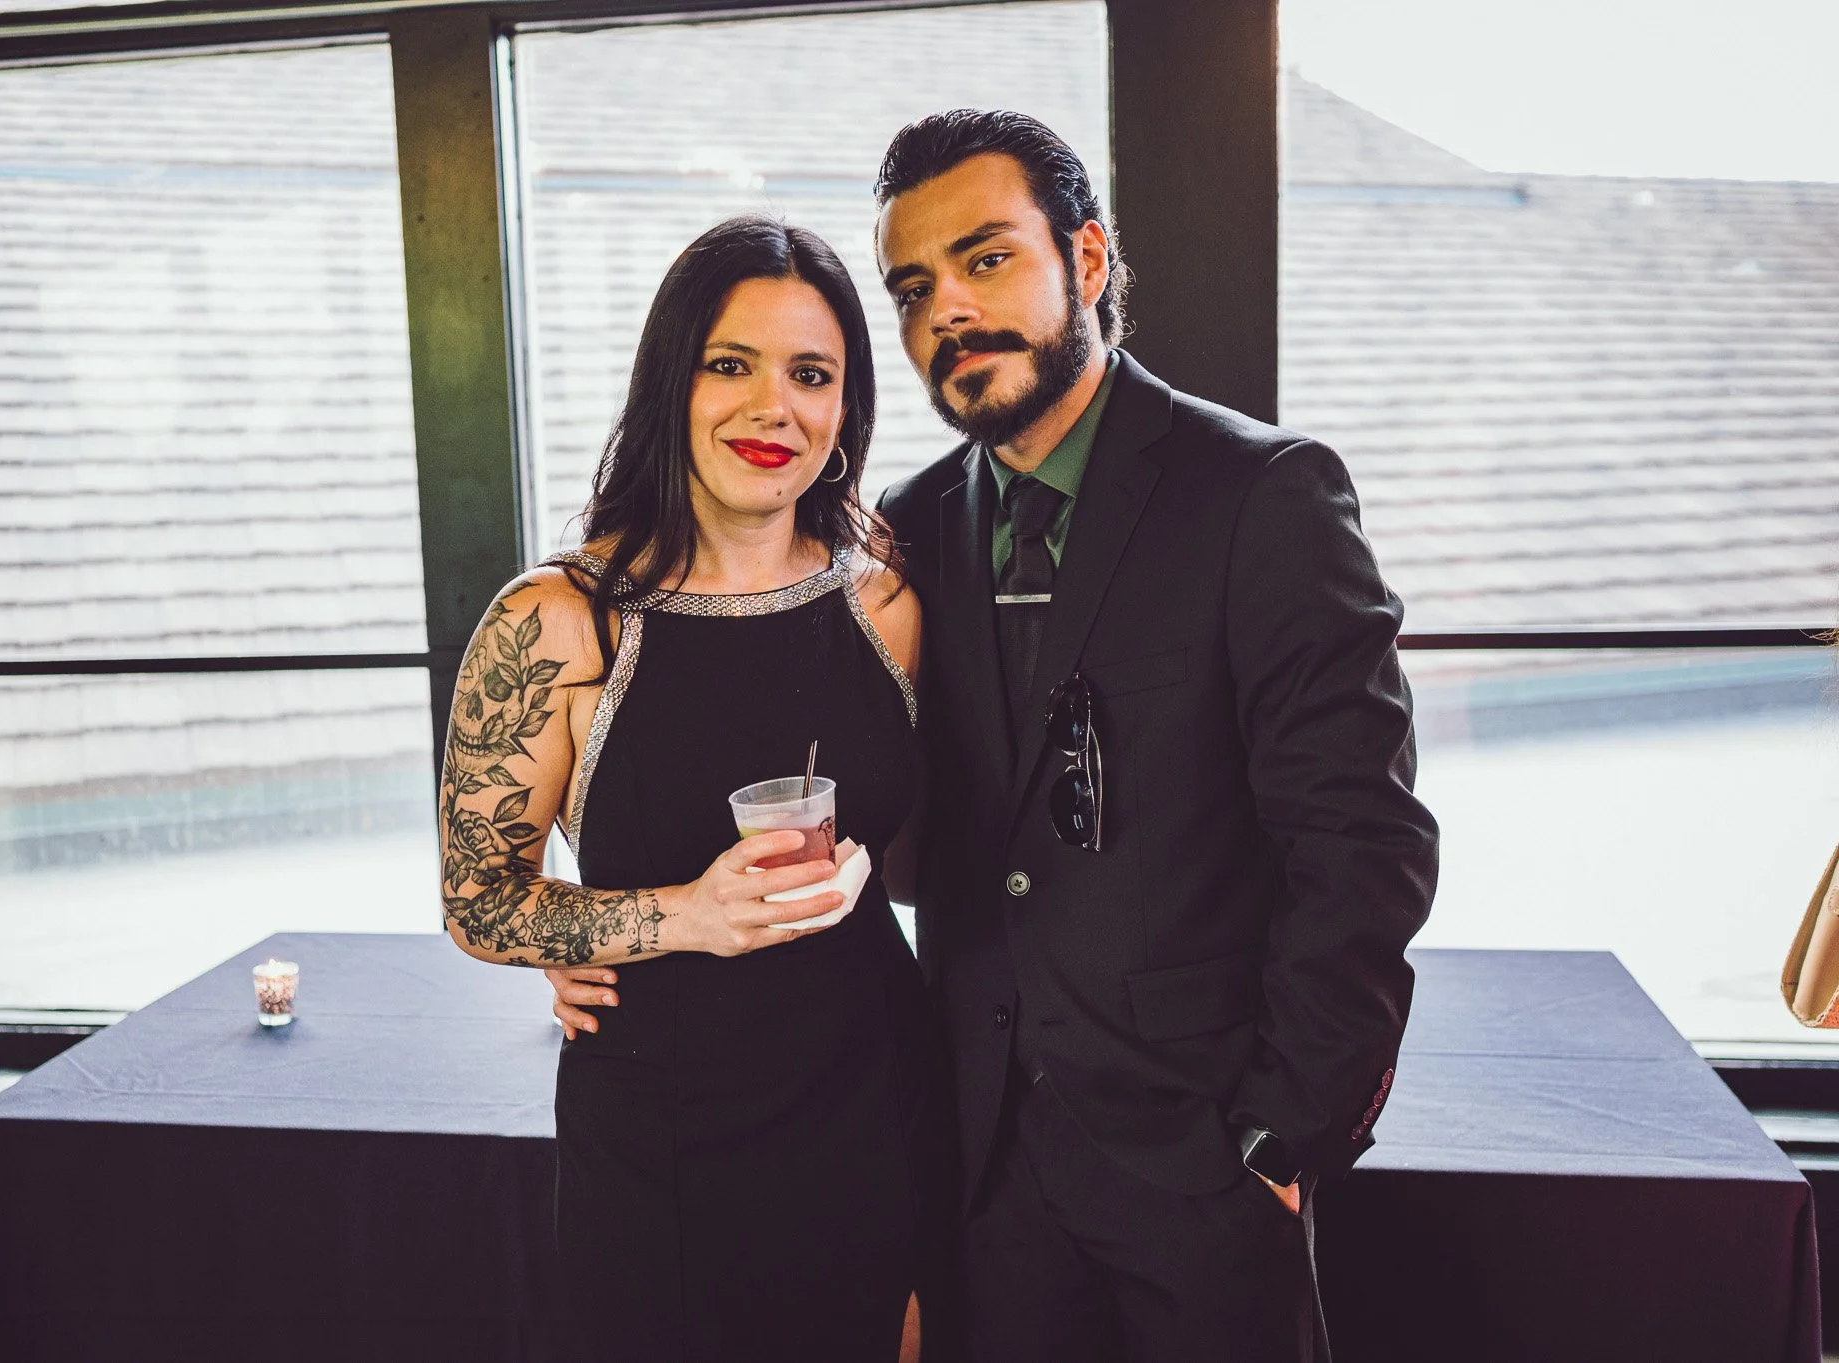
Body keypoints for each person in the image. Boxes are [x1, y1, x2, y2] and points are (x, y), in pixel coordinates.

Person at [553, 110, 1440, 1362]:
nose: (947, 312)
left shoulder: (1262, 492)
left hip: (1201, 1168)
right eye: (913, 289)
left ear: (1086, 258)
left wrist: (1282, 1138)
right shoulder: (901, 536)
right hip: (970, 1176)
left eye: (984, 259)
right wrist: (598, 937)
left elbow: (1361, 845)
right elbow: (863, 818)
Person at [439, 215, 941, 1362]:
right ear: (671, 381)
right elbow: (476, 899)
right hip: (660, 1135)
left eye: (810, 374)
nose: (773, 407)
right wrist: (674, 916)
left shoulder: (884, 597)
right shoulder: (558, 622)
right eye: (730, 364)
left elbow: (916, 855)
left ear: (846, 406)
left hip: (876, 1097)